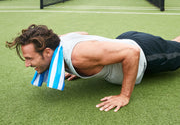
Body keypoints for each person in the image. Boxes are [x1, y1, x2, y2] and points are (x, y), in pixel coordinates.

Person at [6, 24, 180, 112]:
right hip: (122, 41)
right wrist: (77, 71)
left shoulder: (78, 57)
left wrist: (124, 96)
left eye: (29, 58)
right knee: (173, 44)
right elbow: (83, 35)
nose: (27, 64)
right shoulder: (56, 41)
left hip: (145, 53)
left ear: (48, 52)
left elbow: (131, 52)